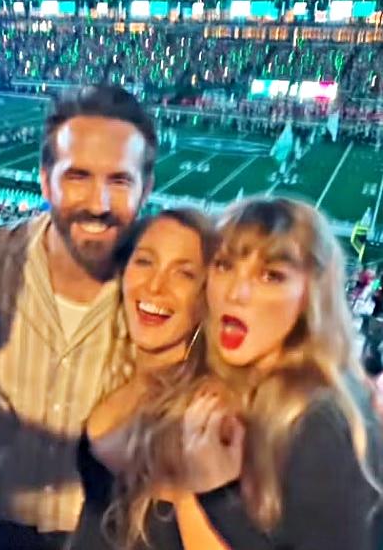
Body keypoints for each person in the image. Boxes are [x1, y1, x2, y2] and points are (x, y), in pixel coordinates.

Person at [0, 85, 157, 549]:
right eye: (77, 175)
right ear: (45, 180)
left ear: (147, 188)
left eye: (119, 180)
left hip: (101, 534)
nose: (99, 203)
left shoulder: (167, 289)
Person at [114, 197, 383, 550]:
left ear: (311, 295)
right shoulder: (237, 387)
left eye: (271, 275)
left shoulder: (321, 421)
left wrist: (208, 489)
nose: (235, 293)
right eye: (224, 265)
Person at [71, 208, 241, 550]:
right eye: (145, 262)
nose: (155, 286)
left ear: (209, 295)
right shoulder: (119, 371)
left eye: (184, 274)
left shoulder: (209, 411)